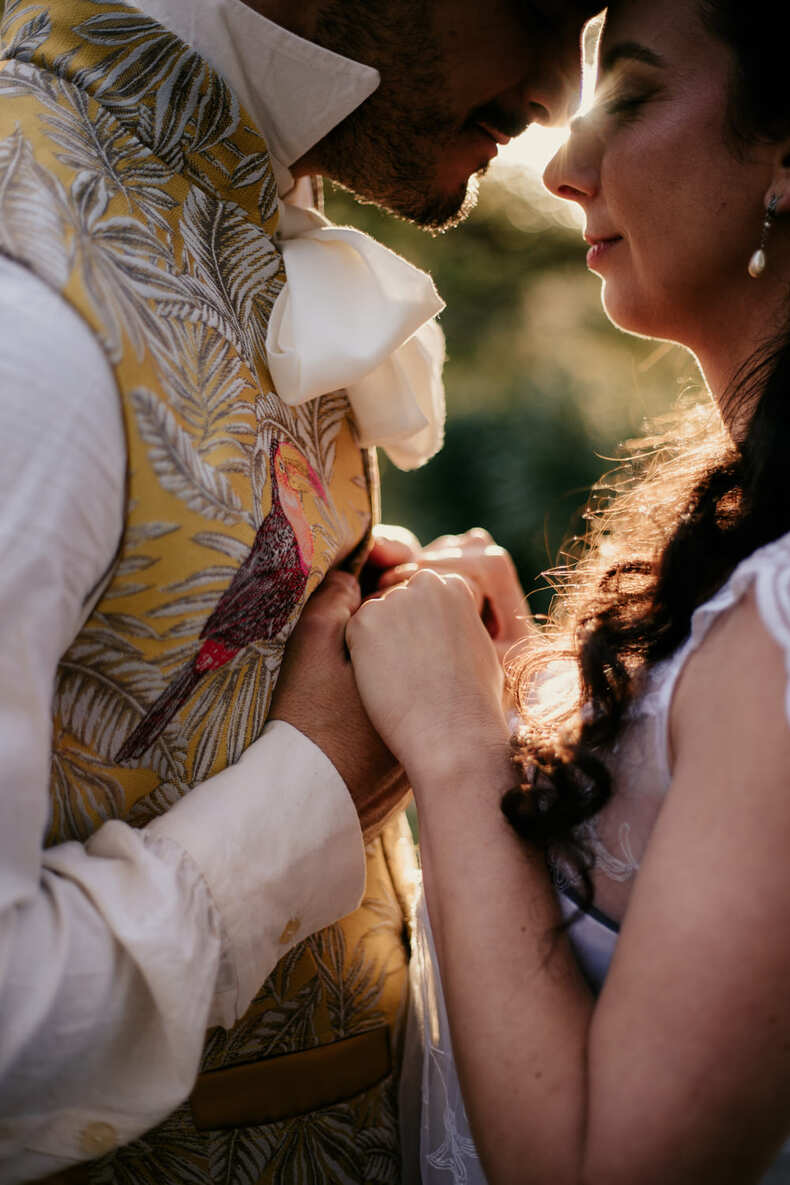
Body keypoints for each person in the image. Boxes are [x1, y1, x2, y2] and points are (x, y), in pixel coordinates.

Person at [0, 0, 599, 1182]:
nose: (557, 97)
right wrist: (318, 779)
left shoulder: (215, 198)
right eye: (540, 1)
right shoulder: (28, 324)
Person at [284, 0, 790, 1181]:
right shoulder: (738, 543)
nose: (561, 167)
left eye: (632, 94)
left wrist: (458, 753)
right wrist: (511, 694)